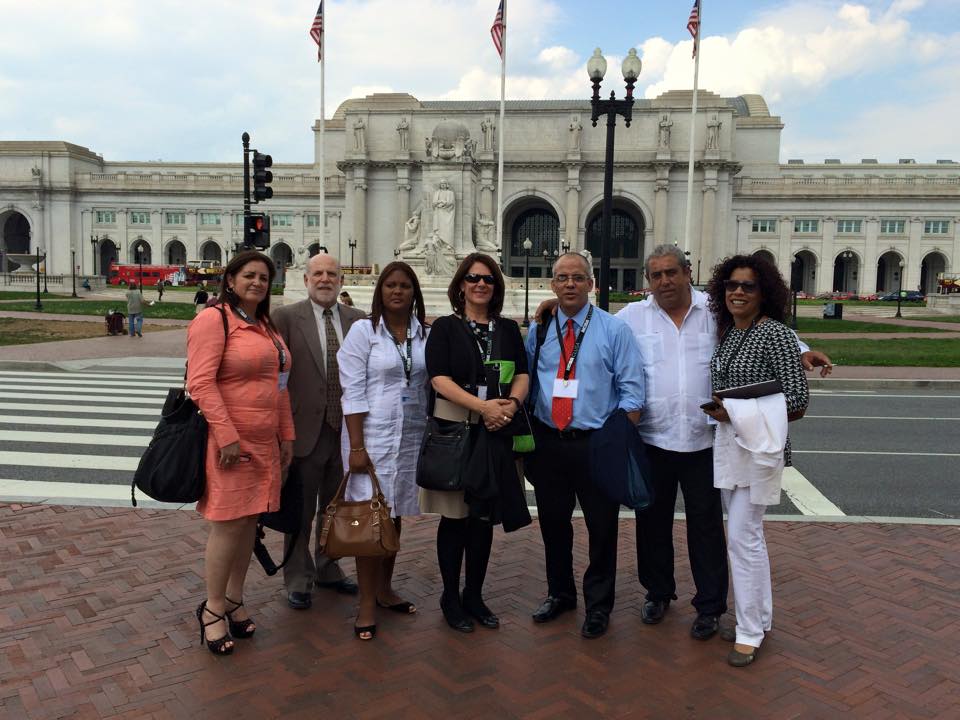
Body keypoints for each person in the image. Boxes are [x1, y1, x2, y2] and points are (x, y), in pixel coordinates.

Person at [614, 245, 833, 641]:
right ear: (648, 281)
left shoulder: (714, 311)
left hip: (704, 441)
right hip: (653, 439)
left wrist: (802, 352)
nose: (664, 281)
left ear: (687, 272)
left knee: (707, 528)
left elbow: (764, 331)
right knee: (652, 524)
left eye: (671, 273)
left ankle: (710, 606)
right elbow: (597, 332)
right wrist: (549, 312)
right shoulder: (631, 317)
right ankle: (658, 592)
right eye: (656, 275)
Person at [525, 252, 645, 639]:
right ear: (552, 285)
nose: (570, 284)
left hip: (596, 443)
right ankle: (559, 593)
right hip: (550, 442)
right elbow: (527, 382)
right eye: (562, 278)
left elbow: (632, 392)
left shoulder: (613, 330)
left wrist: (615, 437)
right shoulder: (540, 330)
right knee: (554, 525)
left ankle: (598, 605)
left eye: (578, 278)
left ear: (592, 284)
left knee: (602, 528)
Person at [701, 254, 810, 667]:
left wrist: (736, 412)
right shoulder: (731, 333)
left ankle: (748, 632)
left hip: (760, 449)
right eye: (731, 285)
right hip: (730, 444)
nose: (738, 293)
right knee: (749, 537)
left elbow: (797, 400)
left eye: (748, 286)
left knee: (743, 538)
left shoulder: (776, 335)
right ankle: (759, 618)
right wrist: (723, 410)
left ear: (765, 292)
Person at [186, 250, 295, 656]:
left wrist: (287, 436)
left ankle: (234, 598)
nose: (257, 283)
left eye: (264, 277)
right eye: (249, 275)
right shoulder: (213, 320)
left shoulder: (265, 325)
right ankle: (212, 609)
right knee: (228, 525)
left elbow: (279, 384)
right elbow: (201, 383)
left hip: (264, 442)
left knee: (249, 524)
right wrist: (228, 435)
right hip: (229, 443)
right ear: (230, 280)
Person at [423, 253, 530, 633]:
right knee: (454, 519)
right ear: (461, 285)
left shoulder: (506, 330)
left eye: (488, 279)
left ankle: (475, 594)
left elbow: (521, 373)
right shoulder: (446, 328)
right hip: (458, 431)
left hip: (496, 430)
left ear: (496, 287)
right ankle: (450, 596)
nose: (480, 284)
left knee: (483, 519)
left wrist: (511, 404)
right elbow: (439, 379)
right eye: (473, 278)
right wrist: (482, 407)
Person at [337, 261, 429, 640]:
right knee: (370, 519)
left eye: (405, 285)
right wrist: (357, 447)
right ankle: (366, 604)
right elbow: (352, 390)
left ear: (414, 292)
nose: (397, 291)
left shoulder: (424, 333)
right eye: (390, 285)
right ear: (380, 291)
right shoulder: (363, 332)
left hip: (410, 436)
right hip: (371, 436)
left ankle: (385, 589)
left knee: (395, 515)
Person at [273, 254, 366, 610]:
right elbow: (277, 376)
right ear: (307, 278)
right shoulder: (286, 318)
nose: (325, 279)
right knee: (300, 510)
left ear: (342, 279)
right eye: (318, 274)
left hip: (344, 431)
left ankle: (328, 567)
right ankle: (298, 577)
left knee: (335, 507)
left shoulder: (357, 320)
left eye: (332, 274)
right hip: (302, 431)